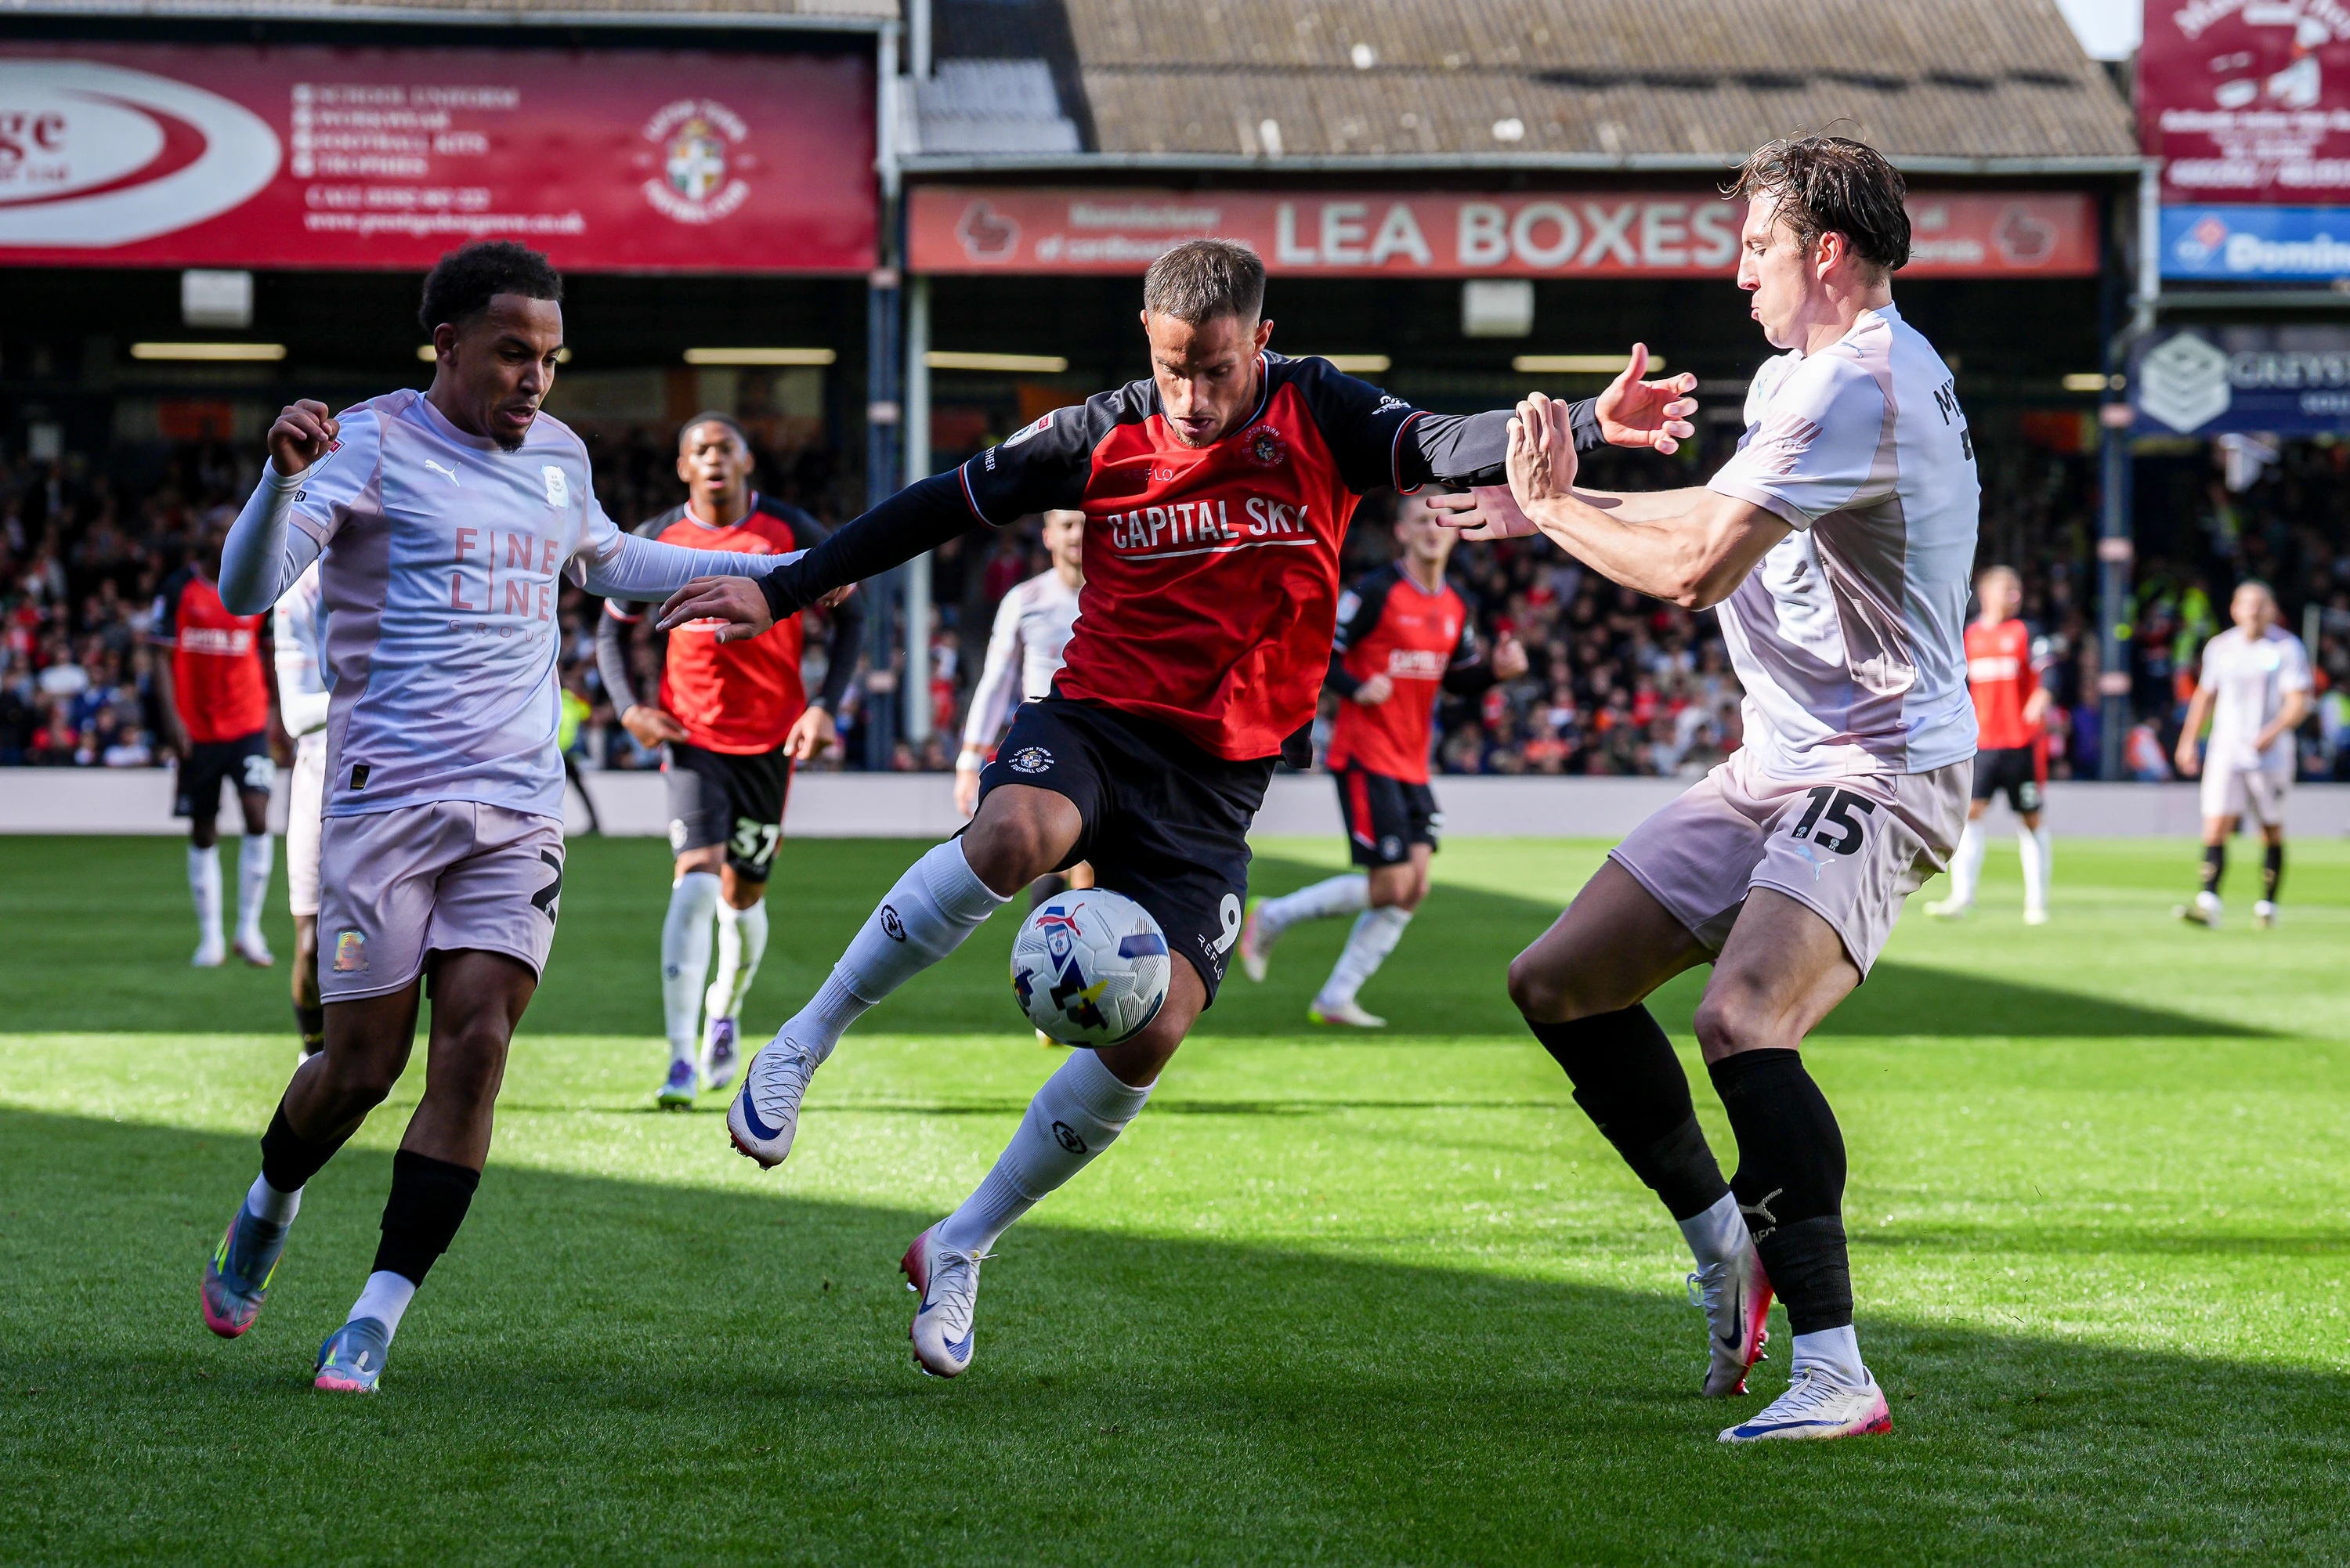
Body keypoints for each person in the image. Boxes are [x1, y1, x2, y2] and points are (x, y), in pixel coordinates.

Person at [659, 236, 1695, 1378]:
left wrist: (1582, 428)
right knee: (1014, 836)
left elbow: (1439, 445)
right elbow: (937, 507)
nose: (1191, 397)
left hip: (1217, 785)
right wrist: (789, 582)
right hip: (1096, 723)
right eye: (1169, 369)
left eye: (1212, 369)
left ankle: (960, 1246)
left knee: (1152, 1025)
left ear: (1260, 338)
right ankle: (803, 1041)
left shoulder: (1321, 408)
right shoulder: (1099, 430)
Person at [1438, 135, 1976, 1443]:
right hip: (1777, 762)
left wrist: (1553, 508)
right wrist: (1556, 504)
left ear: (1824, 254)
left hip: (1882, 759)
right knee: (1559, 981)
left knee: (1744, 1017)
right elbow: (1724, 505)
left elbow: (1697, 572)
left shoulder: (1860, 383)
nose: (1740, 276)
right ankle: (1728, 1240)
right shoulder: (1816, 373)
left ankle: (1837, 1367)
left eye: (1757, 248)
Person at [194, 240, 780, 1395]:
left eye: (551, 359)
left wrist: (789, 571)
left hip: (516, 808)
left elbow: (612, 561)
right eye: (514, 352)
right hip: (383, 803)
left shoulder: (558, 456)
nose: (536, 381)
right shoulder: (361, 440)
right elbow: (246, 587)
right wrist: (279, 479)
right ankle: (269, 1202)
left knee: (477, 1048)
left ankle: (375, 1312)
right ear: (448, 344)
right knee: (360, 1064)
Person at [595, 412, 863, 1107]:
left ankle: (724, 1011)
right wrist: (630, 709)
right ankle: (680, 1058)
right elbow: (610, 632)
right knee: (693, 882)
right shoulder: (658, 537)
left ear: (747, 461)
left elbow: (853, 614)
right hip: (691, 738)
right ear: (684, 467)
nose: (713, 459)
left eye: (725, 448)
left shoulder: (791, 532)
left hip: (770, 741)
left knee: (742, 896)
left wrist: (824, 706)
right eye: (699, 450)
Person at [1237, 493, 1528, 1024]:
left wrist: (1494, 672)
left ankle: (1335, 997)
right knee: (1392, 883)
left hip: (1412, 761)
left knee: (1414, 886)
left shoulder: (1456, 605)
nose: (1432, 530)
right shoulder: (1375, 592)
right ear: (1401, 532)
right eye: (1420, 520)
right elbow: (1319, 649)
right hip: (1364, 755)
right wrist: (1353, 685)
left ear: (1456, 532)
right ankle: (1273, 917)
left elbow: (1458, 680)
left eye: (1442, 521)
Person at [154, 520, 277, 968]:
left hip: (247, 722)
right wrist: (172, 719)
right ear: (202, 538)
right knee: (203, 827)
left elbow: (268, 652)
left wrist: (277, 716)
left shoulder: (258, 581)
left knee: (258, 813)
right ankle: (211, 938)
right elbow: (160, 655)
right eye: (219, 531)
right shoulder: (178, 588)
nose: (226, 537)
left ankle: (249, 929)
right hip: (198, 729)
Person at [2173, 580, 2310, 930]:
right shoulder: (2220, 648)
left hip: (2271, 755)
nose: (2252, 610)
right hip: (2226, 749)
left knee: (2270, 829)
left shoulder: (2286, 648)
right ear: (2234, 609)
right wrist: (2188, 740)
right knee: (2216, 824)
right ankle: (2209, 902)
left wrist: (2274, 731)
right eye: (2246, 604)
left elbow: (2299, 701)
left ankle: (2267, 906)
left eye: (2260, 604)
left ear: (2271, 609)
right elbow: (2205, 696)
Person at [1926, 565, 2052, 923]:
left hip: (2020, 743)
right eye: (2008, 590)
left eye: (2018, 590)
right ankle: (1962, 897)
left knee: (2030, 818)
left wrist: (2043, 694)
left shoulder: (2027, 632)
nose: (2015, 596)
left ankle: (2036, 903)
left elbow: (2049, 671)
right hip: (1980, 743)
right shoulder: (1969, 636)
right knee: (1970, 814)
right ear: (1986, 594)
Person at [273, 560, 329, 1057]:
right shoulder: (301, 592)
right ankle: (313, 1053)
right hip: (323, 778)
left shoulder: (411, 566)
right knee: (312, 945)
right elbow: (295, 716)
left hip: (403, 781)